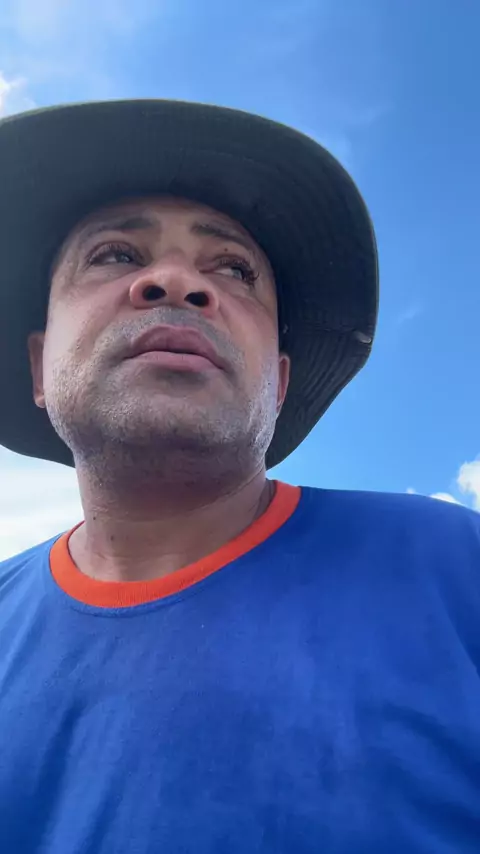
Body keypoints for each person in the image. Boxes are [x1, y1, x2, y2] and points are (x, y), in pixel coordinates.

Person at [0, 100, 479, 854]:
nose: (175, 282)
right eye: (115, 254)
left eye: (233, 269)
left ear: (278, 384)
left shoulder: (457, 566)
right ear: (38, 365)